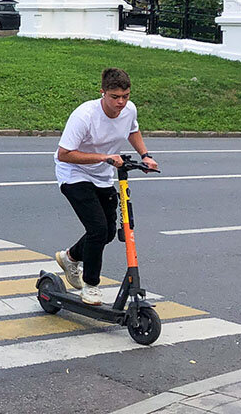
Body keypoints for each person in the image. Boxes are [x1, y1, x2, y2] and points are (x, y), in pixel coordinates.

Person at [53, 68, 158, 305]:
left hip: (102, 175)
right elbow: (64, 154)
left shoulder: (129, 110)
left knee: (110, 231)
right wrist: (103, 157)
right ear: (102, 93)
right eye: (115, 97)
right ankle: (90, 286)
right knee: (98, 229)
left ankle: (70, 257)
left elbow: (133, 130)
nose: (121, 102)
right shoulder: (84, 116)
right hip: (73, 174)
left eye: (126, 96)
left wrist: (146, 155)